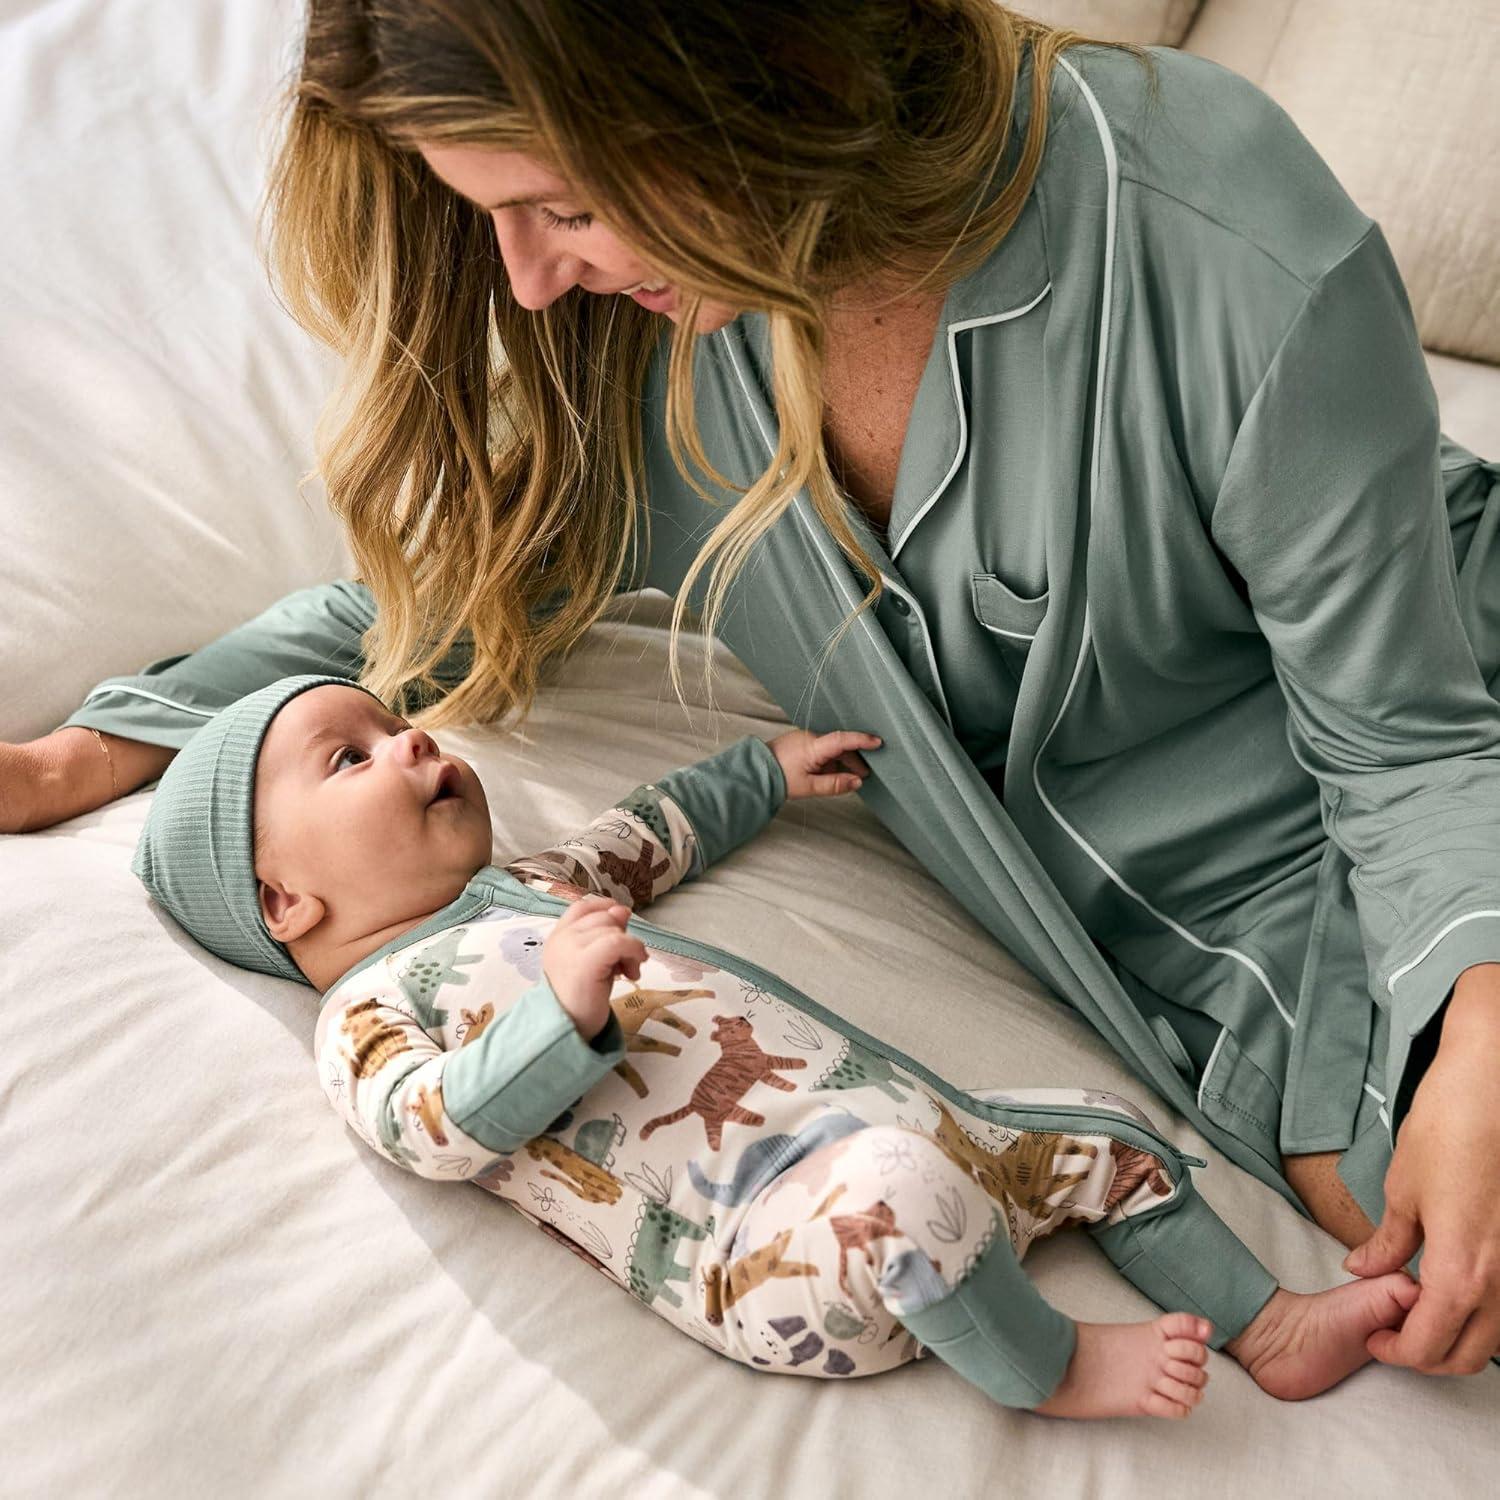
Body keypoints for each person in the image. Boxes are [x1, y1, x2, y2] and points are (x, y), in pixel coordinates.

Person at [3, 2, 1497, 1374]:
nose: (526, 279)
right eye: (496, 215)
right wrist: (87, 752)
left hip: (1427, 732)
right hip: (1234, 938)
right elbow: (421, 606)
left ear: (742, 75)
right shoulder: (656, 360)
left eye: (563, 207)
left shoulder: (1206, 218)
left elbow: (1411, 741)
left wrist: (1482, 1008)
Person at [131, 670, 1421, 1415]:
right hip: (769, 1254)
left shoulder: (534, 886)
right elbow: (430, 1126)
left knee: (1107, 1136)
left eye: (396, 718)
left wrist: (762, 771)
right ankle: (1056, 1368)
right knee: (906, 1192)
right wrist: (557, 1017)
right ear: (284, 903)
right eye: (350, 759)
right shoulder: (368, 1014)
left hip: (921, 1131)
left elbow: (647, 833)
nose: (412, 738)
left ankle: (1268, 1323)